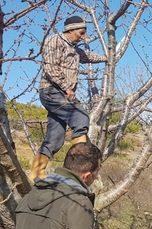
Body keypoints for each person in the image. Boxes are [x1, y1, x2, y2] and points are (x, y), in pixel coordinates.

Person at [30, 16, 107, 180]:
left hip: (62, 94)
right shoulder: (54, 41)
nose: (83, 36)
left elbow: (87, 56)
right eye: (81, 32)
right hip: (52, 91)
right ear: (70, 30)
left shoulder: (73, 48)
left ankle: (36, 173)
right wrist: (67, 88)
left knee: (55, 137)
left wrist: (107, 57)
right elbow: (50, 67)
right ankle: (78, 167)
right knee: (81, 117)